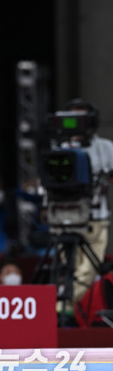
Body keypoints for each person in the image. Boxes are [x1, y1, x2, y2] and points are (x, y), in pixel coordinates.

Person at [59, 99, 113, 304]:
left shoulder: (106, 148)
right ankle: (67, 311)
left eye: (82, 118)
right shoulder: (61, 149)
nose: (78, 124)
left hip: (96, 220)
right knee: (70, 271)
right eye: (73, 119)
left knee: (88, 272)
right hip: (66, 219)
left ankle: (62, 307)